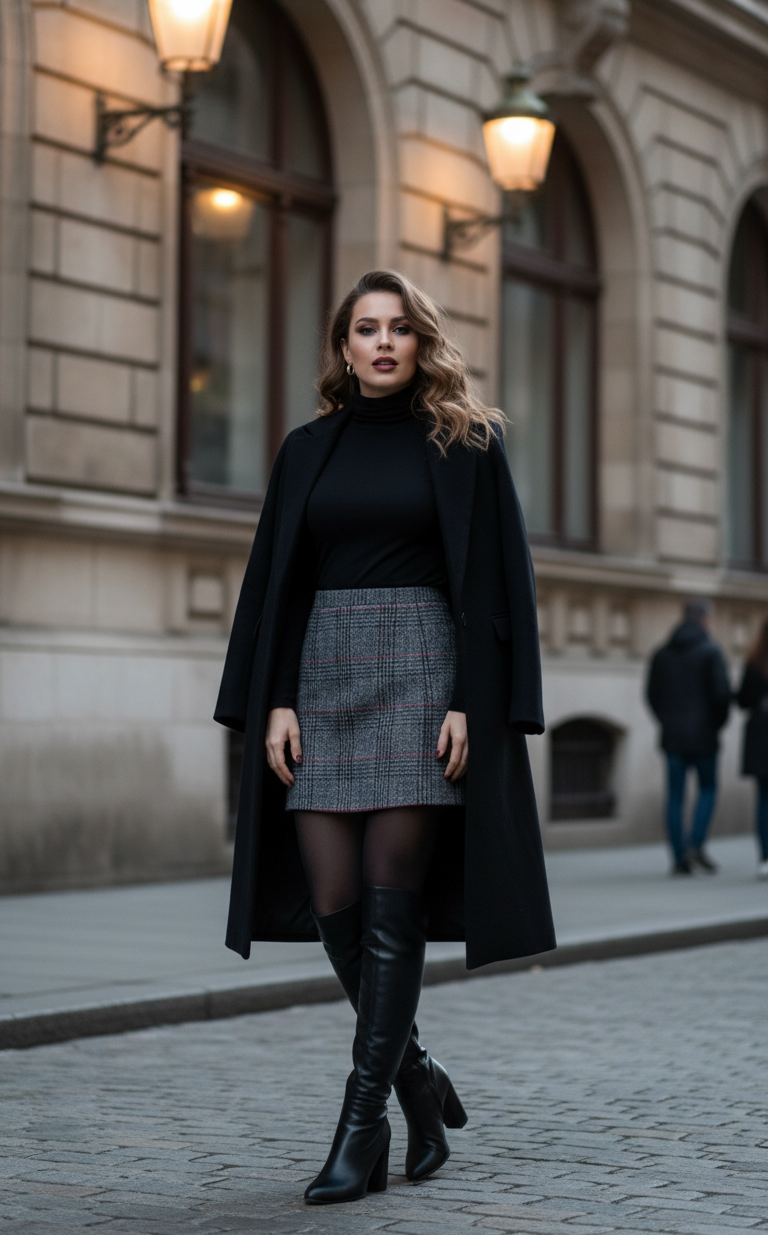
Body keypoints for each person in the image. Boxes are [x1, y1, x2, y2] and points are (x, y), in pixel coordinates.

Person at [214, 269, 555, 1205]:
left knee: (388, 897)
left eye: (399, 328)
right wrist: (275, 697)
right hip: (323, 677)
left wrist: (469, 703)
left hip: (422, 675)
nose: (382, 344)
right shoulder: (307, 448)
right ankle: (419, 1082)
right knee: (334, 901)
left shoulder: (466, 444)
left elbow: (499, 583)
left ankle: (359, 1124)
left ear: (422, 341)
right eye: (365, 329)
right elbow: (274, 584)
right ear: (343, 344)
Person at [646, 598, 731, 875]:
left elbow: (651, 695)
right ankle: (695, 843)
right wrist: (716, 724)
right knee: (707, 789)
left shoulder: (662, 653)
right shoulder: (710, 651)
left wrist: (667, 721)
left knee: (675, 796)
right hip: (704, 735)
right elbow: (721, 695)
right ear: (704, 619)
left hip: (672, 736)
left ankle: (679, 857)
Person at [735, 617, 768, 879]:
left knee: (764, 800)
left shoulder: (754, 662)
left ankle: (766, 857)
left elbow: (742, 699)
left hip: (760, 734)